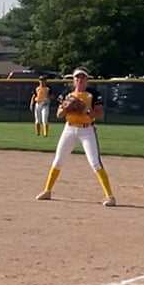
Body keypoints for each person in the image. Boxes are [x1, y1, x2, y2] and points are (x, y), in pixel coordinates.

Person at [35, 68, 116, 206]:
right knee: (58, 160)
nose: (80, 80)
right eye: (77, 77)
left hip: (87, 130)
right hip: (69, 129)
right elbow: (59, 115)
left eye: (83, 77)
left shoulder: (93, 94)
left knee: (95, 163)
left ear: (87, 79)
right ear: (73, 79)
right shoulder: (67, 94)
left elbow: (100, 115)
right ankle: (47, 191)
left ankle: (110, 197)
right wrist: (66, 108)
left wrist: (86, 111)